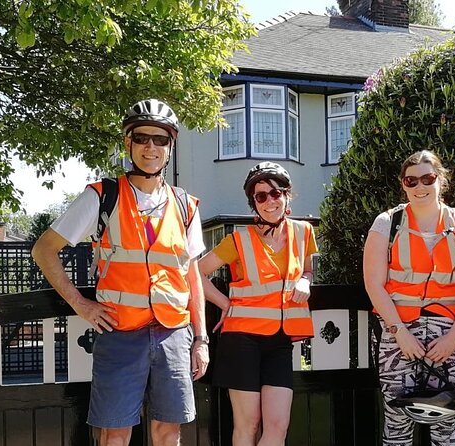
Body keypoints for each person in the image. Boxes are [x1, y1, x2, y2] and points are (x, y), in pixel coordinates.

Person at [32, 99, 209, 446]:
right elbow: (43, 250)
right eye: (142, 137)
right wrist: (81, 305)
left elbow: (191, 276)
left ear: (170, 146)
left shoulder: (186, 205)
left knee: (169, 431)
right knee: (115, 433)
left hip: (172, 333)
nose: (151, 147)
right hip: (120, 331)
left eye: (161, 140)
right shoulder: (103, 196)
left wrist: (200, 340)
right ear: (128, 143)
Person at [363, 150, 455, 446]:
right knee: (397, 422)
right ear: (403, 185)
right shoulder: (387, 223)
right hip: (398, 333)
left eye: (427, 178)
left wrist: (454, 337)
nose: (420, 187)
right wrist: (399, 333)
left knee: (445, 423)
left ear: (441, 180)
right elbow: (374, 284)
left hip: (450, 336)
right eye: (411, 181)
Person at [197, 162, 317, 446]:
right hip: (241, 341)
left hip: (280, 341)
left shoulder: (304, 232)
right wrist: (224, 303)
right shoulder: (238, 240)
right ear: (253, 204)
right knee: (247, 426)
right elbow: (195, 272)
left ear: (287, 196)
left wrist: (306, 281)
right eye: (260, 196)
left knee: (277, 426)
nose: (269, 201)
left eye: (275, 193)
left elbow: (308, 269)